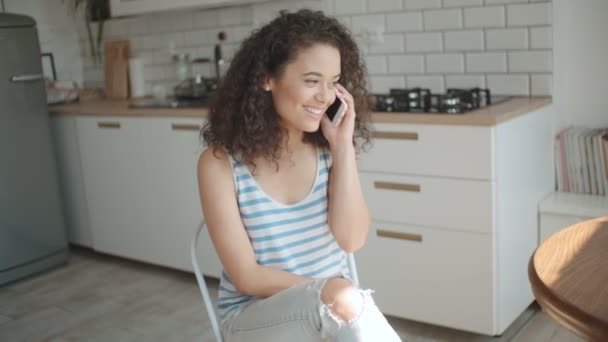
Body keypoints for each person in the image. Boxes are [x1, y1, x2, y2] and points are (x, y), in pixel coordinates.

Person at [197, 9, 401, 342]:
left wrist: (343, 147)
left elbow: (351, 240)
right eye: (311, 81)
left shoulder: (330, 152)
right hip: (255, 317)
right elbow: (246, 277)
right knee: (346, 301)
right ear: (267, 79)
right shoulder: (219, 164)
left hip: (333, 307)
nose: (325, 96)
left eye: (333, 83)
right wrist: (328, 290)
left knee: (345, 304)